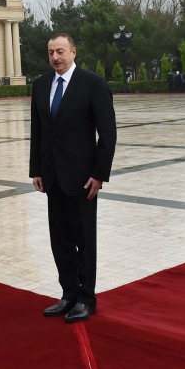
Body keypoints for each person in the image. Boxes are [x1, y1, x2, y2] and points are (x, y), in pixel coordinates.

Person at [30, 33, 116, 323]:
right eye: (51, 52)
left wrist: (99, 175)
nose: (55, 57)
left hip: (82, 180)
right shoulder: (41, 85)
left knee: (84, 240)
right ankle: (68, 294)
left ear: (73, 52)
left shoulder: (93, 84)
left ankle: (86, 298)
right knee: (60, 241)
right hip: (52, 177)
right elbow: (38, 132)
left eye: (61, 51)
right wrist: (36, 169)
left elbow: (108, 134)